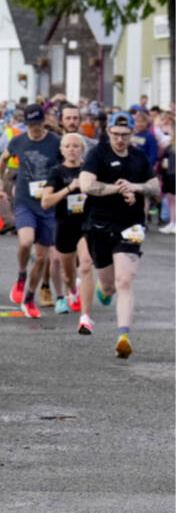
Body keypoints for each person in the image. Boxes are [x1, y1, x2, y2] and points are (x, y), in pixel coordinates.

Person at [79, 112, 159, 358]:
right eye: (115, 135)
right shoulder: (97, 154)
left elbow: (155, 187)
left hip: (132, 225)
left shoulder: (139, 157)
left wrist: (136, 187)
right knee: (109, 285)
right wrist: (119, 188)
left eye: (125, 135)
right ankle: (106, 291)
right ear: (109, 133)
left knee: (125, 280)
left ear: (132, 134)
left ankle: (123, 336)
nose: (120, 140)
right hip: (100, 225)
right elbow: (86, 185)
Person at [0, 103, 63, 318]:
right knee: (25, 241)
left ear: (45, 121)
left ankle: (29, 298)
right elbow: (4, 158)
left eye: (38, 123)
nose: (34, 128)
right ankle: (21, 274)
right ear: (26, 123)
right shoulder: (18, 141)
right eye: (31, 124)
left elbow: (67, 163)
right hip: (25, 200)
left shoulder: (55, 142)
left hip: (48, 204)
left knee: (42, 257)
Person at [42, 132, 95, 332]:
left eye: (76, 146)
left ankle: (85, 315)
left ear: (82, 150)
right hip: (65, 225)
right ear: (62, 150)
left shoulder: (88, 170)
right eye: (67, 146)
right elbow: (45, 202)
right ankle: (72, 290)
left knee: (87, 264)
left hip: (86, 224)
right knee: (68, 275)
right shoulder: (56, 172)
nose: (72, 149)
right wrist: (69, 188)